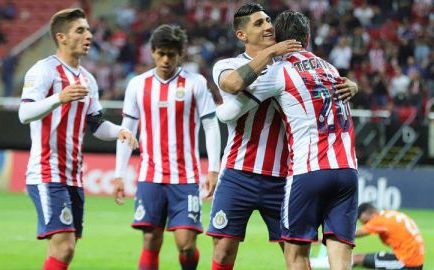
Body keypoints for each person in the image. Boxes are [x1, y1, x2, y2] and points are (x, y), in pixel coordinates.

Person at [217, 11, 358, 270]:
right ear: (308, 37)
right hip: (347, 168)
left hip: (306, 171)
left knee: (296, 257)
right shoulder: (330, 68)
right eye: (260, 22)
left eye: (269, 22)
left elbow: (228, 107)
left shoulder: (280, 71)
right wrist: (355, 86)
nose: (266, 26)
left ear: (280, 39)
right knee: (340, 261)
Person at [18, 8, 138, 270]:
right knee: (65, 246)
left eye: (88, 30)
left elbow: (95, 125)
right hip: (47, 172)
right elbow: (24, 113)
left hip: (74, 176)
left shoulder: (87, 79)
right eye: (80, 30)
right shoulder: (43, 71)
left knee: (63, 251)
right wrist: (58, 98)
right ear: (61, 37)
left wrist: (119, 130)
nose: (89, 35)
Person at [113, 24, 221, 270]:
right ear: (152, 52)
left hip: (185, 177)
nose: (165, 59)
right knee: (150, 239)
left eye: (171, 54)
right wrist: (119, 174)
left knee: (186, 244)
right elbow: (126, 132)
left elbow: (211, 126)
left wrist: (213, 169)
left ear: (180, 53)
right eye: (161, 53)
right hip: (150, 175)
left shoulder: (195, 83)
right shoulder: (138, 85)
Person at [354, 203, 424, 269]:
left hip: (406, 261)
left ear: (374, 212)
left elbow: (356, 233)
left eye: (367, 221)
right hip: (417, 259)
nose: (367, 225)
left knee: (355, 259)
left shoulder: (379, 221)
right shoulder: (389, 214)